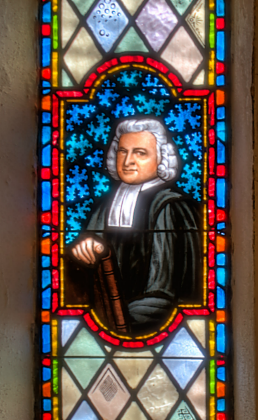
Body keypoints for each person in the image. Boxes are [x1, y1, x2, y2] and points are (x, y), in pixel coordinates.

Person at [69, 117, 201, 334]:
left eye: (140, 153)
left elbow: (163, 293)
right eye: (122, 151)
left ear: (161, 159)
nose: (128, 161)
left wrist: (122, 324)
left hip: (153, 325)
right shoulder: (104, 206)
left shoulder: (170, 206)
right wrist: (82, 252)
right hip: (106, 320)